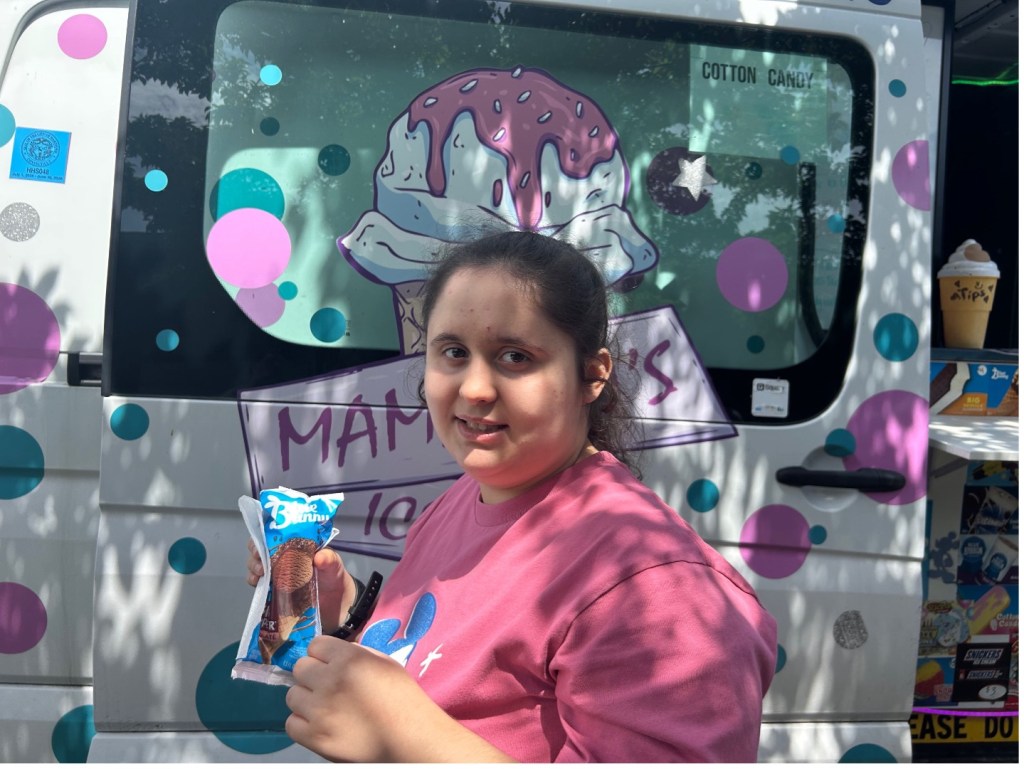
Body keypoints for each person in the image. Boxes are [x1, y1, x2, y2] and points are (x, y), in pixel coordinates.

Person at [246, 230, 777, 762]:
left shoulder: (658, 589)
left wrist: (405, 738)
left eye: (516, 357)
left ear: (591, 375)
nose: (475, 388)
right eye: (453, 351)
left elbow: (413, 721)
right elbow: (445, 665)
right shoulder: (462, 501)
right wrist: (347, 613)